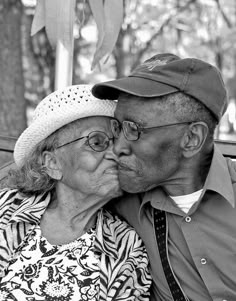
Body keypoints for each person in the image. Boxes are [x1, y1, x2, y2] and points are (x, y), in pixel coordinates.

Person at [92, 53, 236, 301]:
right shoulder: (116, 194)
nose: (118, 148)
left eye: (135, 129)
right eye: (117, 127)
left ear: (191, 139)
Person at [0, 84, 151, 300]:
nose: (117, 153)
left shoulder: (126, 247)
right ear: (53, 164)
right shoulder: (6, 208)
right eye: (97, 142)